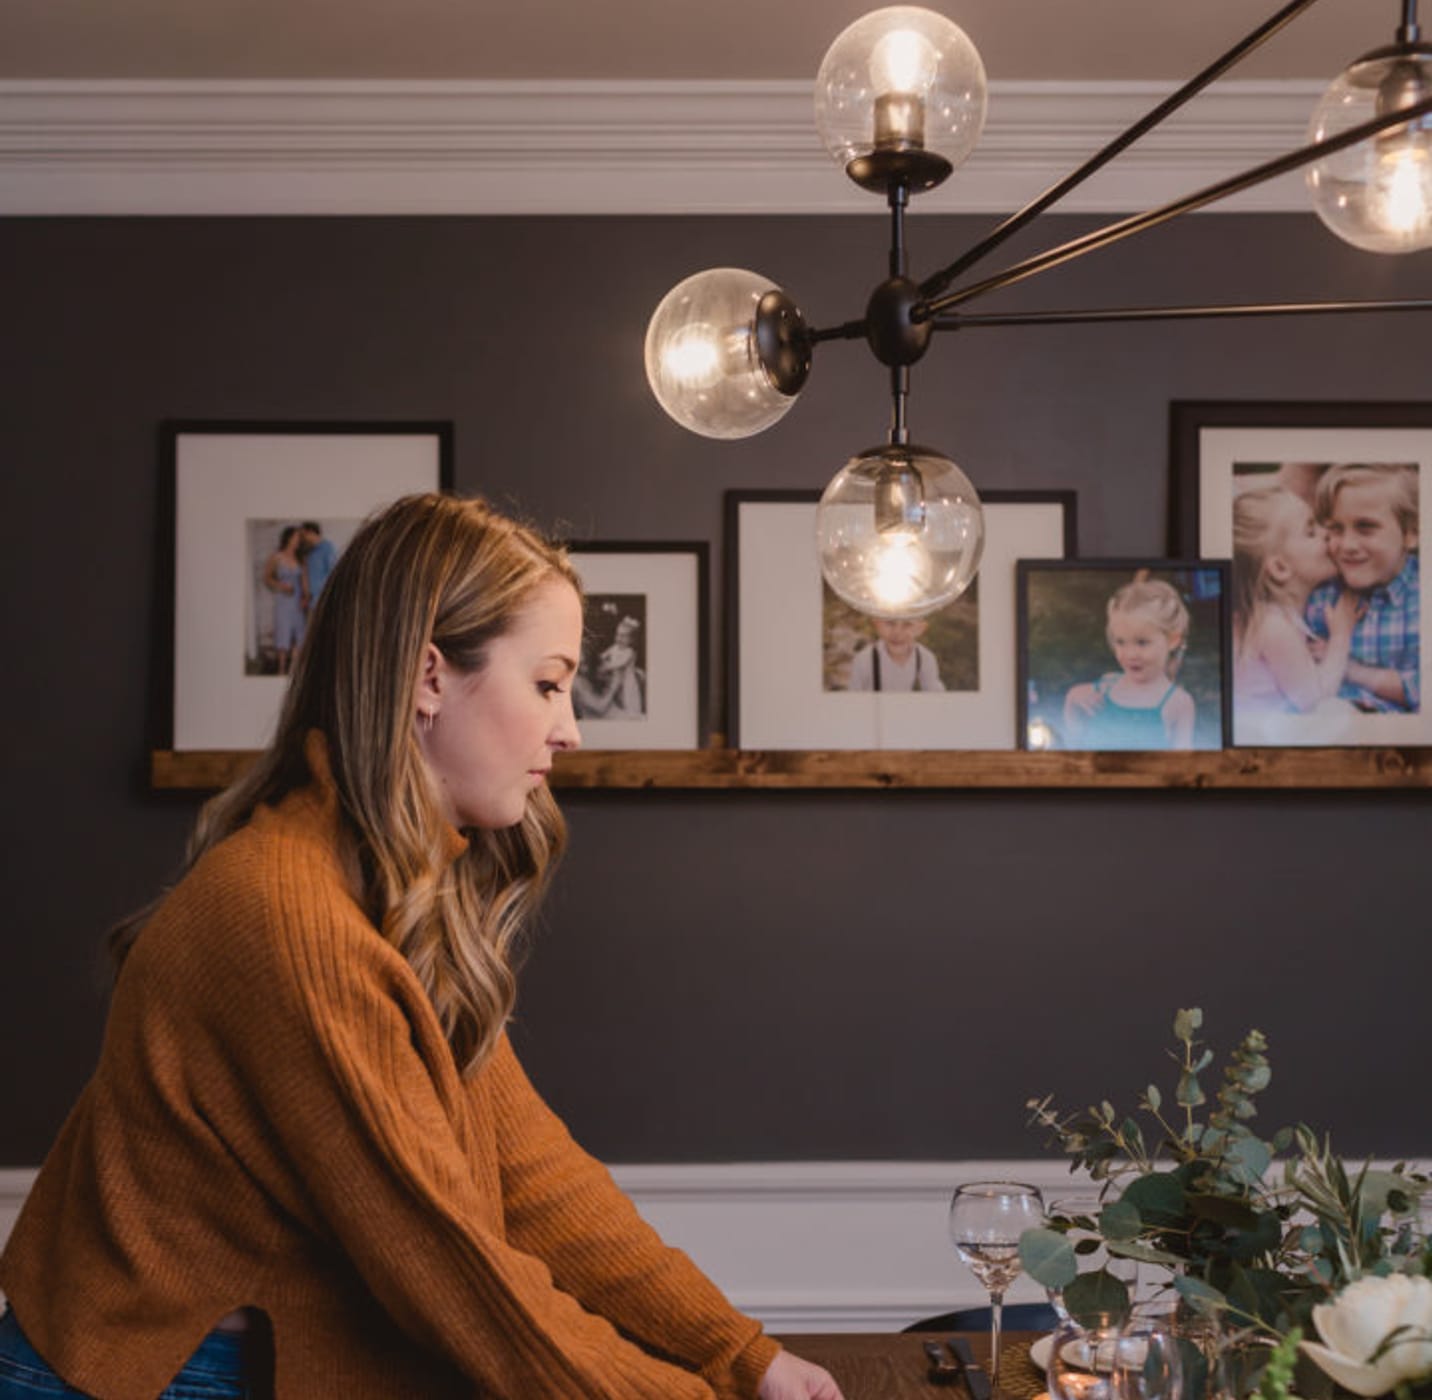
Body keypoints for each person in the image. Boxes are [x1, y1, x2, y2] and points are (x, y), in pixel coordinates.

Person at [0, 493, 842, 1400]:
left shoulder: (385, 888)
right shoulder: (294, 921)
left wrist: (744, 1358)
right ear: (428, 678)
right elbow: (456, 1272)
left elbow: (533, 1176)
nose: (571, 728)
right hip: (152, 1378)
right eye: (549, 683)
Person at [1230, 484, 1360, 742]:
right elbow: (1314, 699)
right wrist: (1341, 637)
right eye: (1311, 532)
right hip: (1260, 741)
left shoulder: (1271, 618)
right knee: (1340, 712)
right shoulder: (1272, 625)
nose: (1327, 534)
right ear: (1280, 567)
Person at [1305, 462, 1420, 714]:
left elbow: (1419, 689)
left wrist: (1350, 669)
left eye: (1365, 528)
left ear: (1411, 533)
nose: (1347, 545)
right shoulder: (1321, 595)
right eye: (1336, 528)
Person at [1062, 578, 1196, 750]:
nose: (1130, 654)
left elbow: (1185, 765)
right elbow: (1073, 746)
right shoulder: (1105, 687)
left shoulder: (1179, 703)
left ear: (1172, 640)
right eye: (1120, 642)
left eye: (1142, 642)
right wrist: (1072, 702)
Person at [844, 617, 946, 692]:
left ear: (921, 628)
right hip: (876, 718)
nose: (897, 632)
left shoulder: (925, 658)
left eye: (907, 624)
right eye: (890, 623)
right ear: (877, 624)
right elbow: (853, 700)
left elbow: (935, 698)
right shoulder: (864, 660)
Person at [262, 524, 308, 675]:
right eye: (295, 537)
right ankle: (281, 669)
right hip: (283, 601)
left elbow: (304, 581)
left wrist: (305, 597)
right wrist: (281, 585)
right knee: (283, 633)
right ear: (288, 538)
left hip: (296, 602)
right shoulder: (277, 557)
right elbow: (267, 578)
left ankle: (294, 670)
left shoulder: (300, 559)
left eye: (299, 538)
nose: (297, 540)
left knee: (299, 634)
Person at [298, 519, 338, 611]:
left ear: (311, 532)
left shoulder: (327, 548)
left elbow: (333, 573)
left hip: (323, 602)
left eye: (303, 535)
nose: (302, 538)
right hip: (311, 602)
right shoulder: (309, 551)